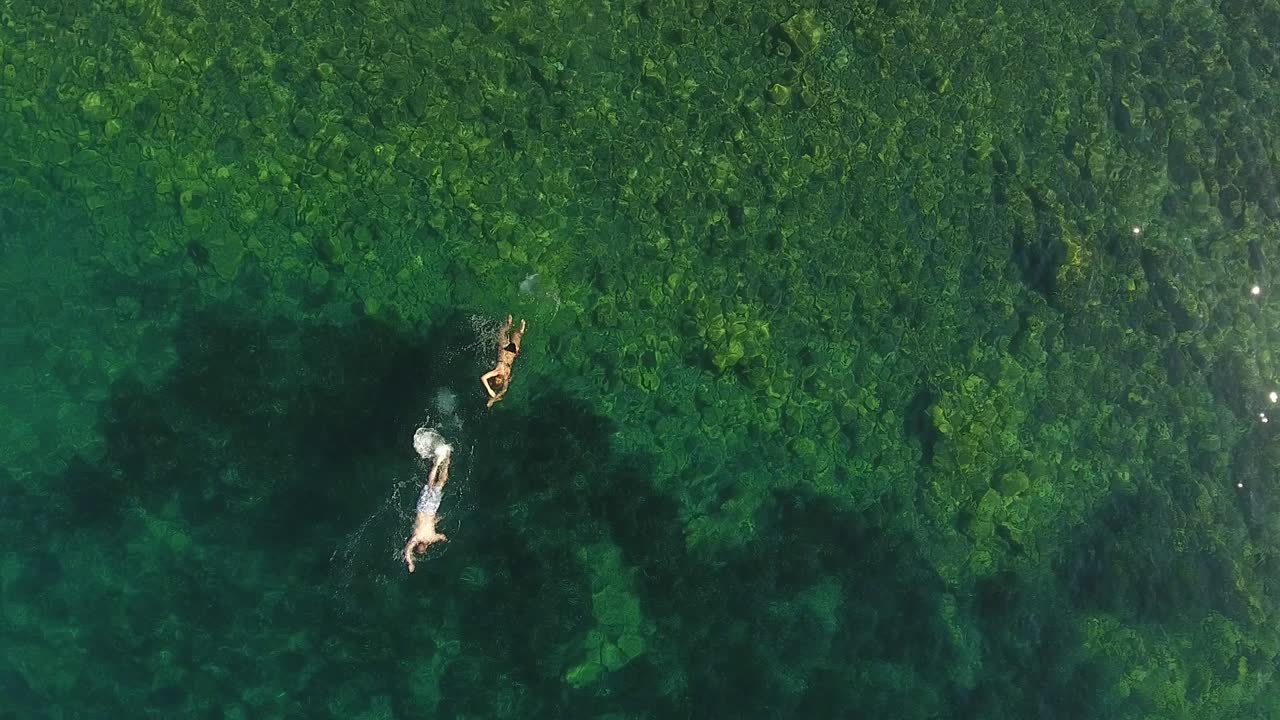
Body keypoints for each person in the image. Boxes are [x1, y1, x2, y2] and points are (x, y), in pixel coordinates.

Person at [404, 429, 453, 573]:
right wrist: (410, 562)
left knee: (441, 483)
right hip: (422, 507)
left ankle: (446, 460)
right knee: (430, 483)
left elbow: (442, 537)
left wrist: (410, 564)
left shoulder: (431, 537)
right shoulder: (417, 537)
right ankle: (437, 463)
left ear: (425, 545)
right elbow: (407, 550)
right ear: (421, 544)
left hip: (431, 509)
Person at [480, 314, 527, 407]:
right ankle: (509, 324)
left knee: (518, 334)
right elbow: (483, 378)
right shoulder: (497, 371)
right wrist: (489, 389)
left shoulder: (506, 377)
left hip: (513, 353)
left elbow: (503, 391)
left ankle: (521, 327)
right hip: (504, 349)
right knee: (502, 332)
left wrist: (493, 400)